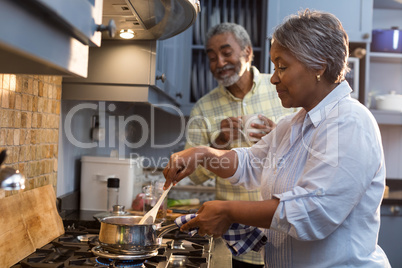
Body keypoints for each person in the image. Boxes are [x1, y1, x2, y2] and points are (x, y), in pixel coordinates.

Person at [164, 9, 391, 267]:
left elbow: (311, 212)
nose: (273, 78)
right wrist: (204, 154)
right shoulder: (292, 125)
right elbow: (250, 162)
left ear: (319, 66)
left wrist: (228, 210)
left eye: (282, 67)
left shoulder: (350, 121)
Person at [184, 22, 296, 267]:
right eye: (212, 57)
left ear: (247, 53)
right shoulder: (204, 107)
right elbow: (195, 177)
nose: (219, 63)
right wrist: (219, 141)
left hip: (284, 235)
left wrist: (279, 134)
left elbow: (307, 144)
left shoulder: (284, 89)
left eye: (226, 53)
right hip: (234, 242)